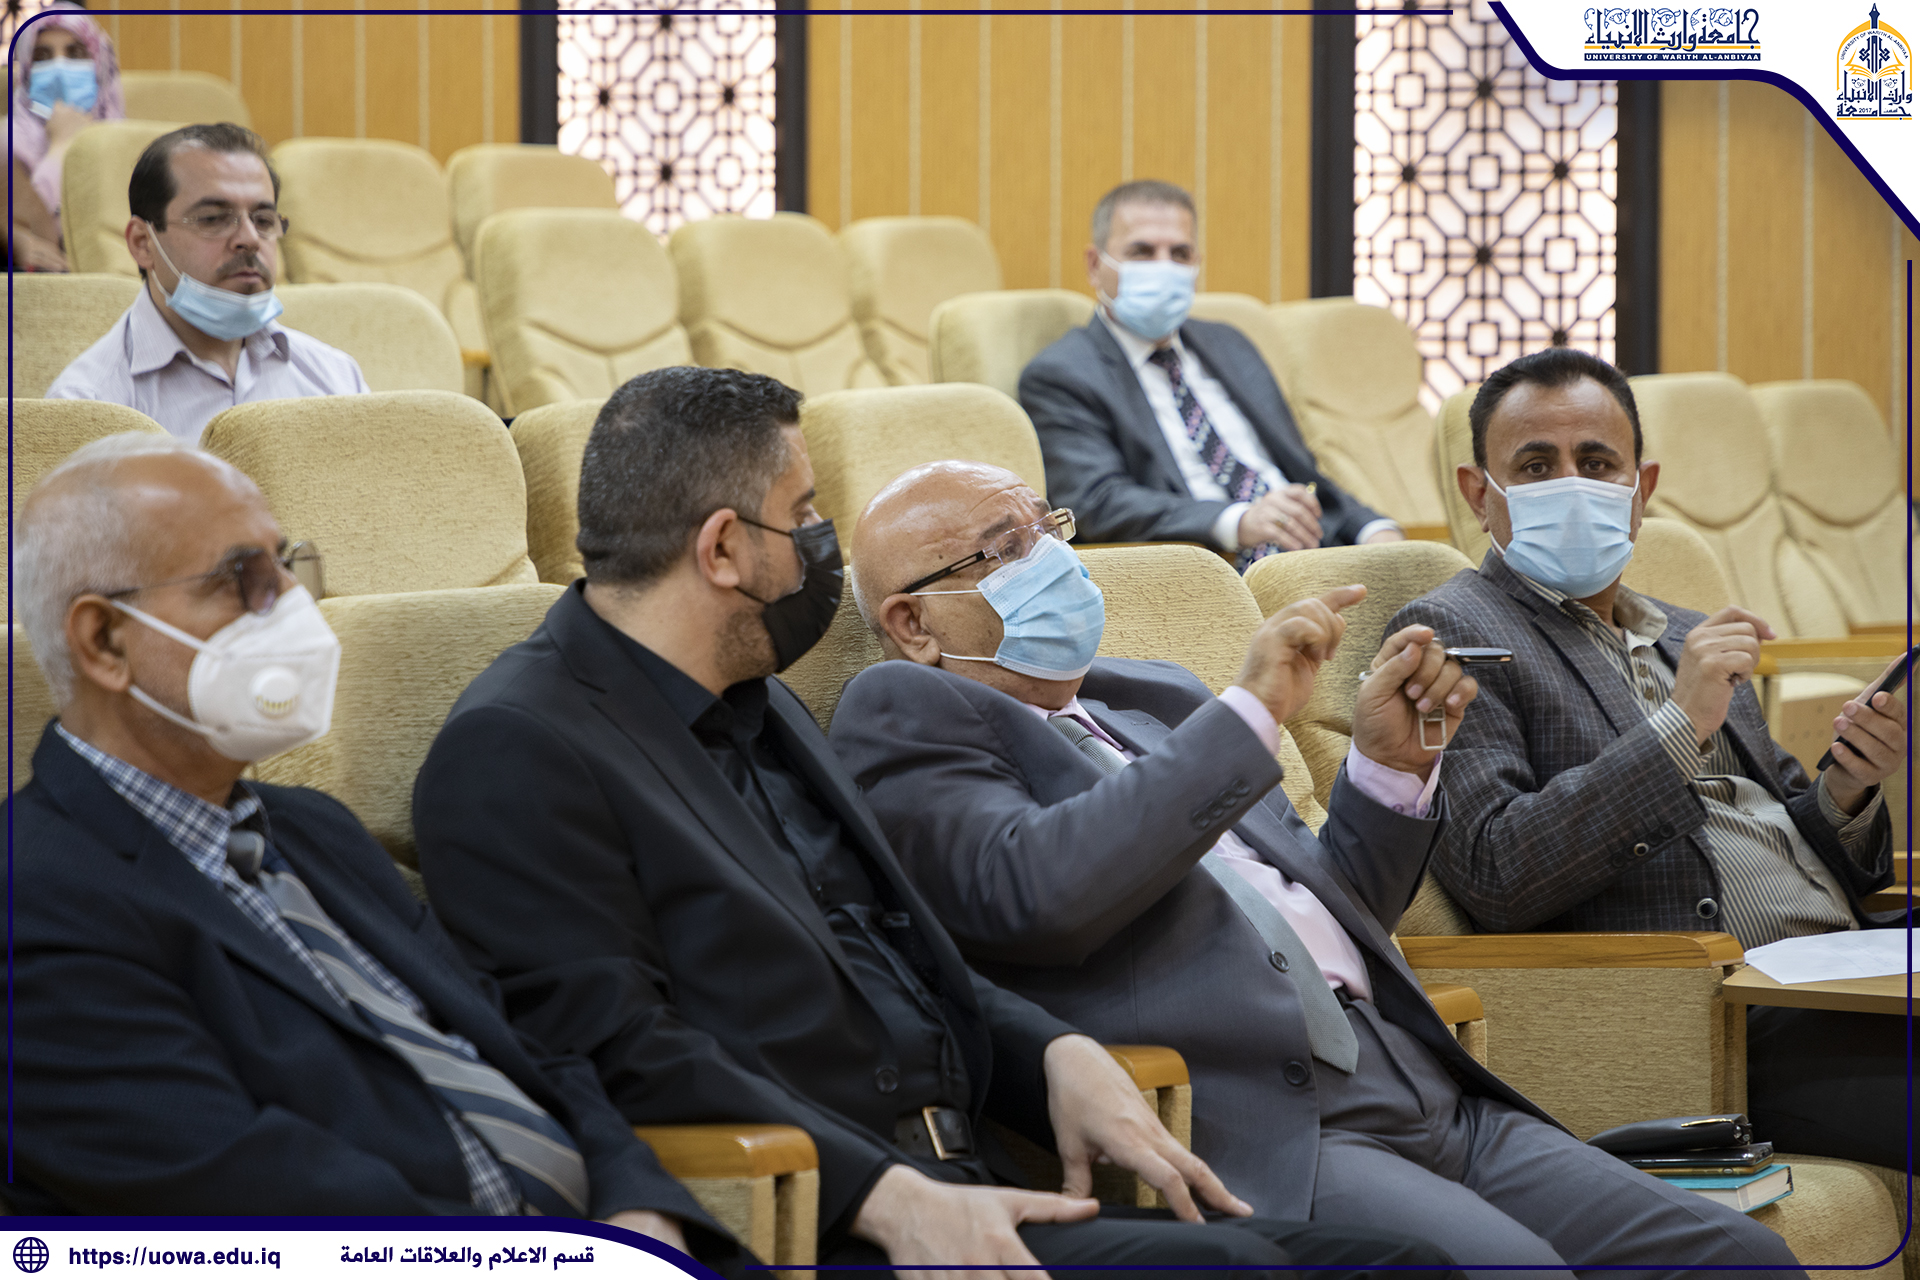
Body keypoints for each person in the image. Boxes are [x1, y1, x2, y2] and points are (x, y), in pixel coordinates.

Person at [412, 366, 1456, 1280]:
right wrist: (881, 1191)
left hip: (968, 1170)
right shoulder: (519, 744)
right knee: (1247, 1272)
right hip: (814, 1219)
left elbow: (903, 950)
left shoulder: (759, 699)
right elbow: (614, 1049)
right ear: (724, 547)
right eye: (803, 516)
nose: (820, 548)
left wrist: (1050, 1053)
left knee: (1396, 1265)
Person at [826, 458, 1807, 1279]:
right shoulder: (903, 712)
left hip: (1424, 1081)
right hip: (1277, 1120)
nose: (1053, 558)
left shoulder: (1153, 698)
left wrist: (1389, 769)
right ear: (914, 624)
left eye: (1048, 527)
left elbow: (1335, 910)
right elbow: (1040, 893)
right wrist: (1251, 711)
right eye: (1005, 548)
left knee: (1741, 1260)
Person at [7, 431, 735, 1260]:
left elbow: (519, 1052)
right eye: (242, 579)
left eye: (288, 567)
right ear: (104, 641)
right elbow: (252, 1206)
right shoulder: (33, 901)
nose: (292, 605)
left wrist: (637, 1200)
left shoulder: (317, 832)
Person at [1387, 347, 1905, 1171]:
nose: (1571, 484)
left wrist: (1849, 784)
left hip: (1852, 975)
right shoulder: (1457, 632)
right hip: (1716, 1014)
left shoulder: (1684, 631)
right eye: (1536, 466)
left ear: (1642, 489)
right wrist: (1679, 724)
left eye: (1597, 463)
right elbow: (1497, 870)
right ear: (1479, 494)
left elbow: (1791, 830)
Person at [1018, 180, 1402, 566]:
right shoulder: (1062, 375)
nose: (1163, 267)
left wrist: (1372, 529)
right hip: (1213, 566)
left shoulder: (1230, 344)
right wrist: (1236, 521)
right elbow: (1097, 503)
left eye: (1180, 254)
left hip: (1316, 552)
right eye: (1141, 252)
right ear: (1094, 265)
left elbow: (1301, 473)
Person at [46, 122, 368, 442]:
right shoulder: (89, 406)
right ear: (143, 243)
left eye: (263, 220)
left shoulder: (336, 379)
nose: (250, 239)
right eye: (213, 219)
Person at [7, 2, 124, 271]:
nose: (59, 68)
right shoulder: (7, 144)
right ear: (26, 70)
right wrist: (61, 148)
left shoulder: (124, 141)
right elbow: (34, 235)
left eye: (75, 53)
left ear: (100, 64)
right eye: (42, 57)